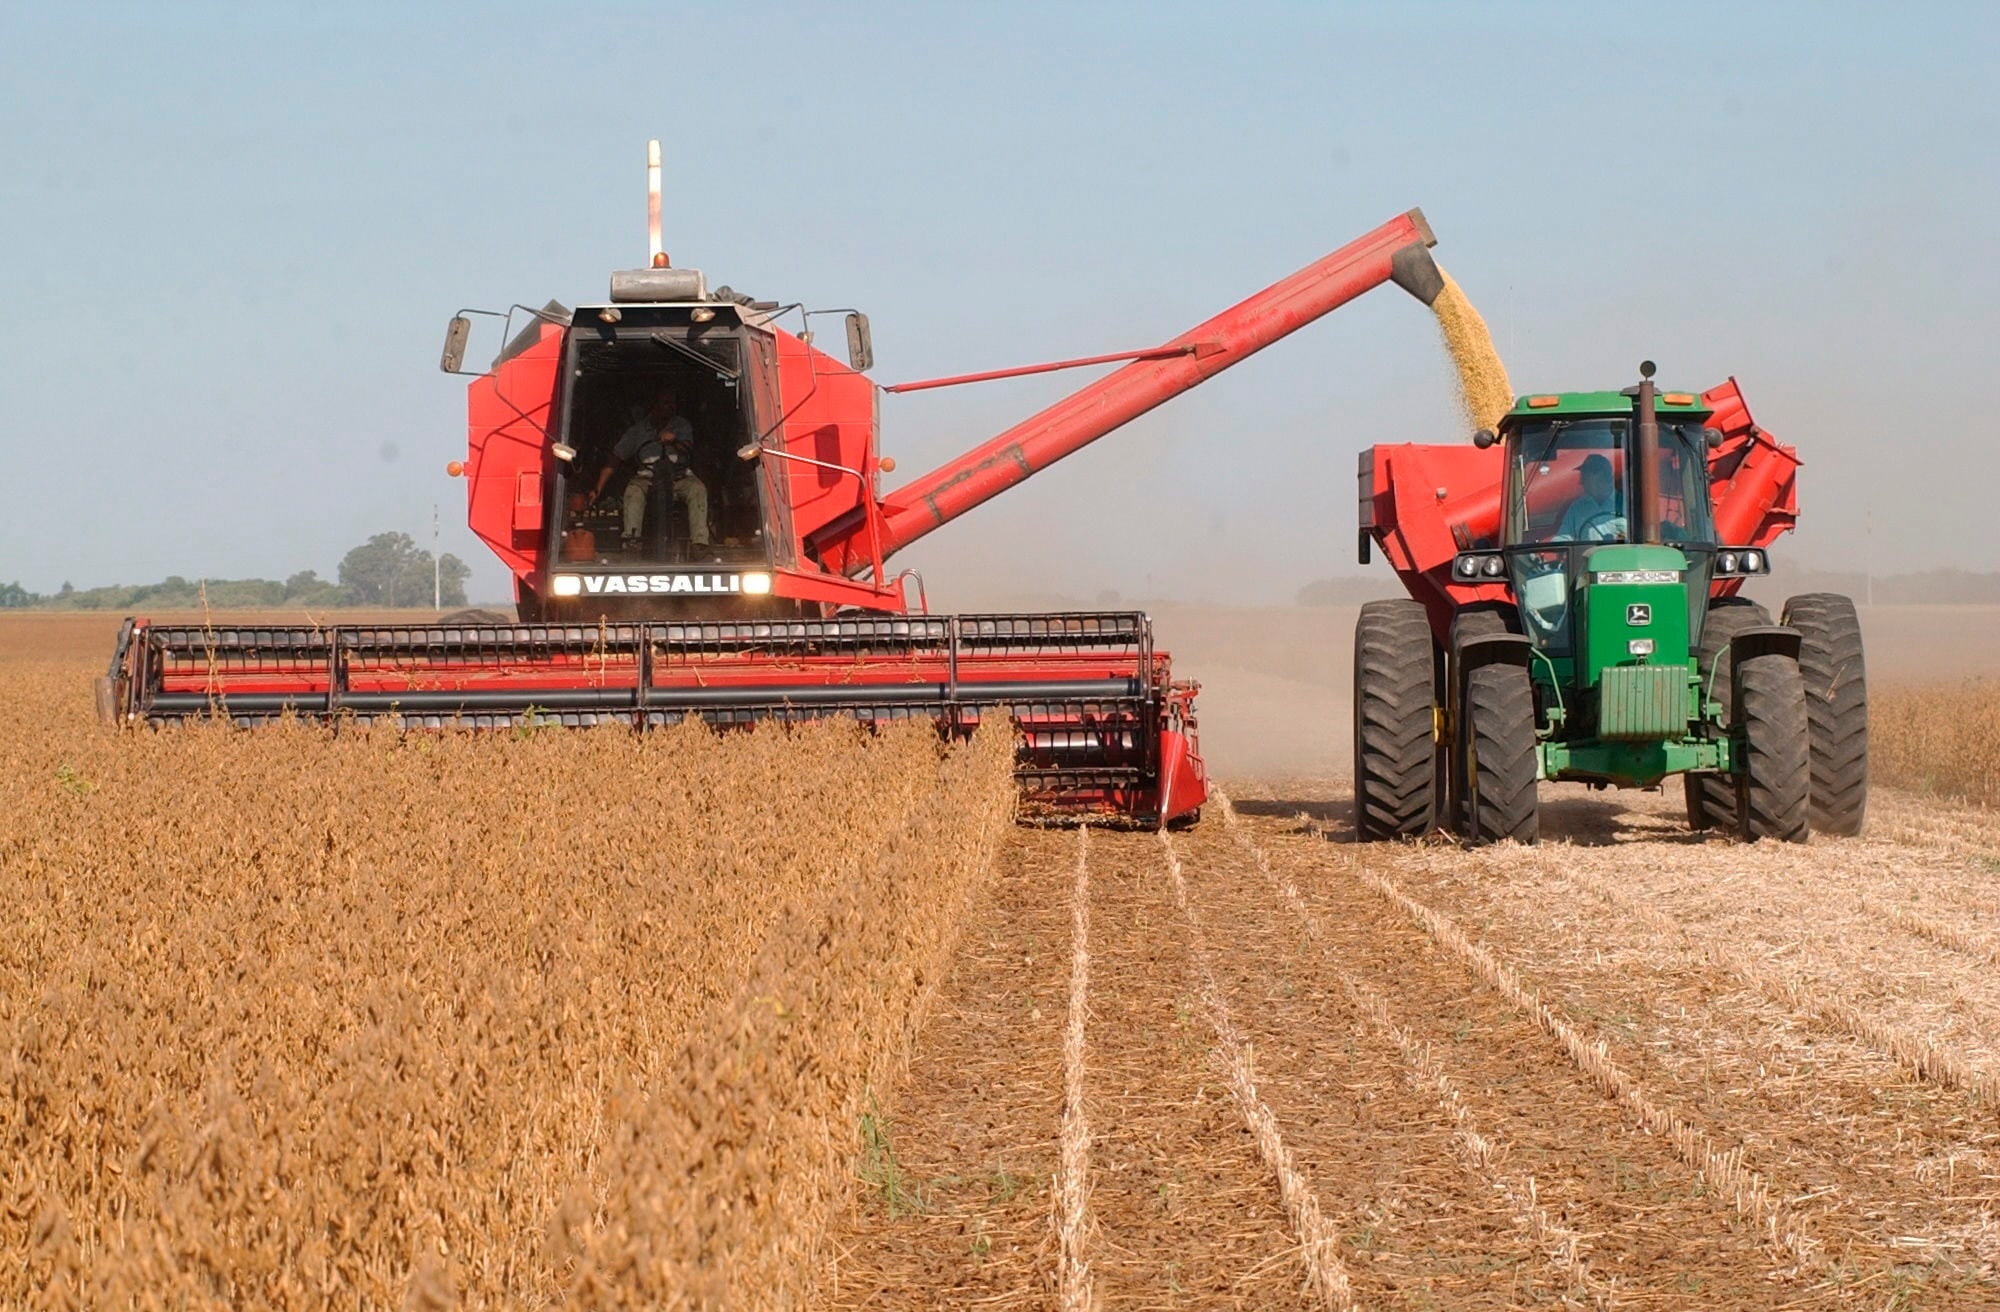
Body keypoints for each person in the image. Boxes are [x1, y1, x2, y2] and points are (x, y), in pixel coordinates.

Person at [592, 387, 711, 555]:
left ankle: (699, 543)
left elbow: (688, 448)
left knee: (697, 489)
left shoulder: (682, 425)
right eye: (665, 403)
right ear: (653, 406)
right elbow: (616, 457)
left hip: (679, 478)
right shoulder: (637, 431)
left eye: (672, 403)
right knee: (632, 492)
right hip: (646, 479)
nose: (670, 407)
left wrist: (674, 441)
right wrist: (598, 488)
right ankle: (631, 542)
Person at [1556, 453, 1623, 542]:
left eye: (1585, 478)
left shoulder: (1627, 505)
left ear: (1602, 479)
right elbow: (1563, 537)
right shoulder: (1577, 508)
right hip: (1586, 555)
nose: (1581, 482)